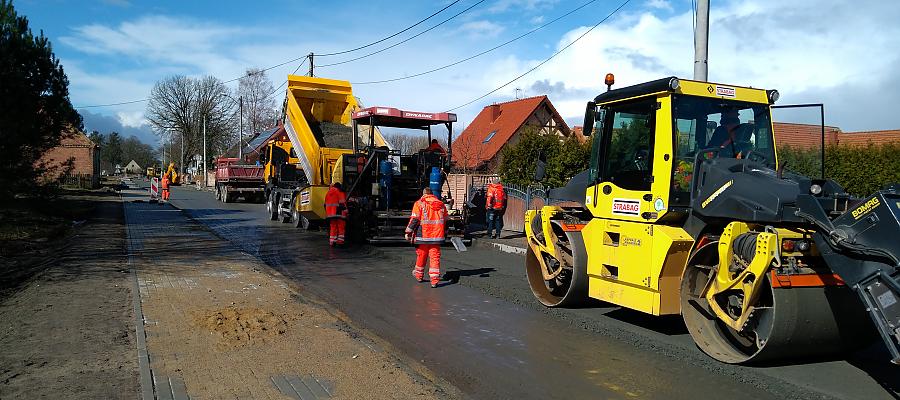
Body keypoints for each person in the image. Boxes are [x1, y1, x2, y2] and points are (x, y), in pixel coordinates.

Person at [405, 187, 447, 288]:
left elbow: (414, 220)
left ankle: (419, 275)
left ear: (424, 194)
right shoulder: (441, 205)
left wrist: (408, 232)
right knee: (434, 257)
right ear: (433, 194)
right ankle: (434, 280)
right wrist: (445, 233)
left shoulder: (419, 203)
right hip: (437, 236)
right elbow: (445, 220)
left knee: (421, 255)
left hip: (423, 235)